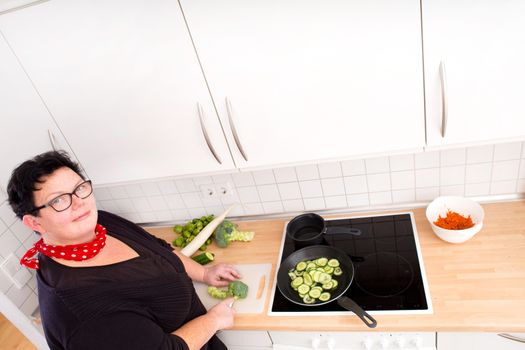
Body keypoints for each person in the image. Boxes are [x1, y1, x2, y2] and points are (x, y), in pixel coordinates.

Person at [7, 150, 240, 350]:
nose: (79, 202)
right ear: (35, 223)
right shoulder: (80, 310)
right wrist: (213, 321)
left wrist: (204, 273)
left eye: (79, 188)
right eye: (58, 200)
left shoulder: (100, 224)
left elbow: (160, 249)